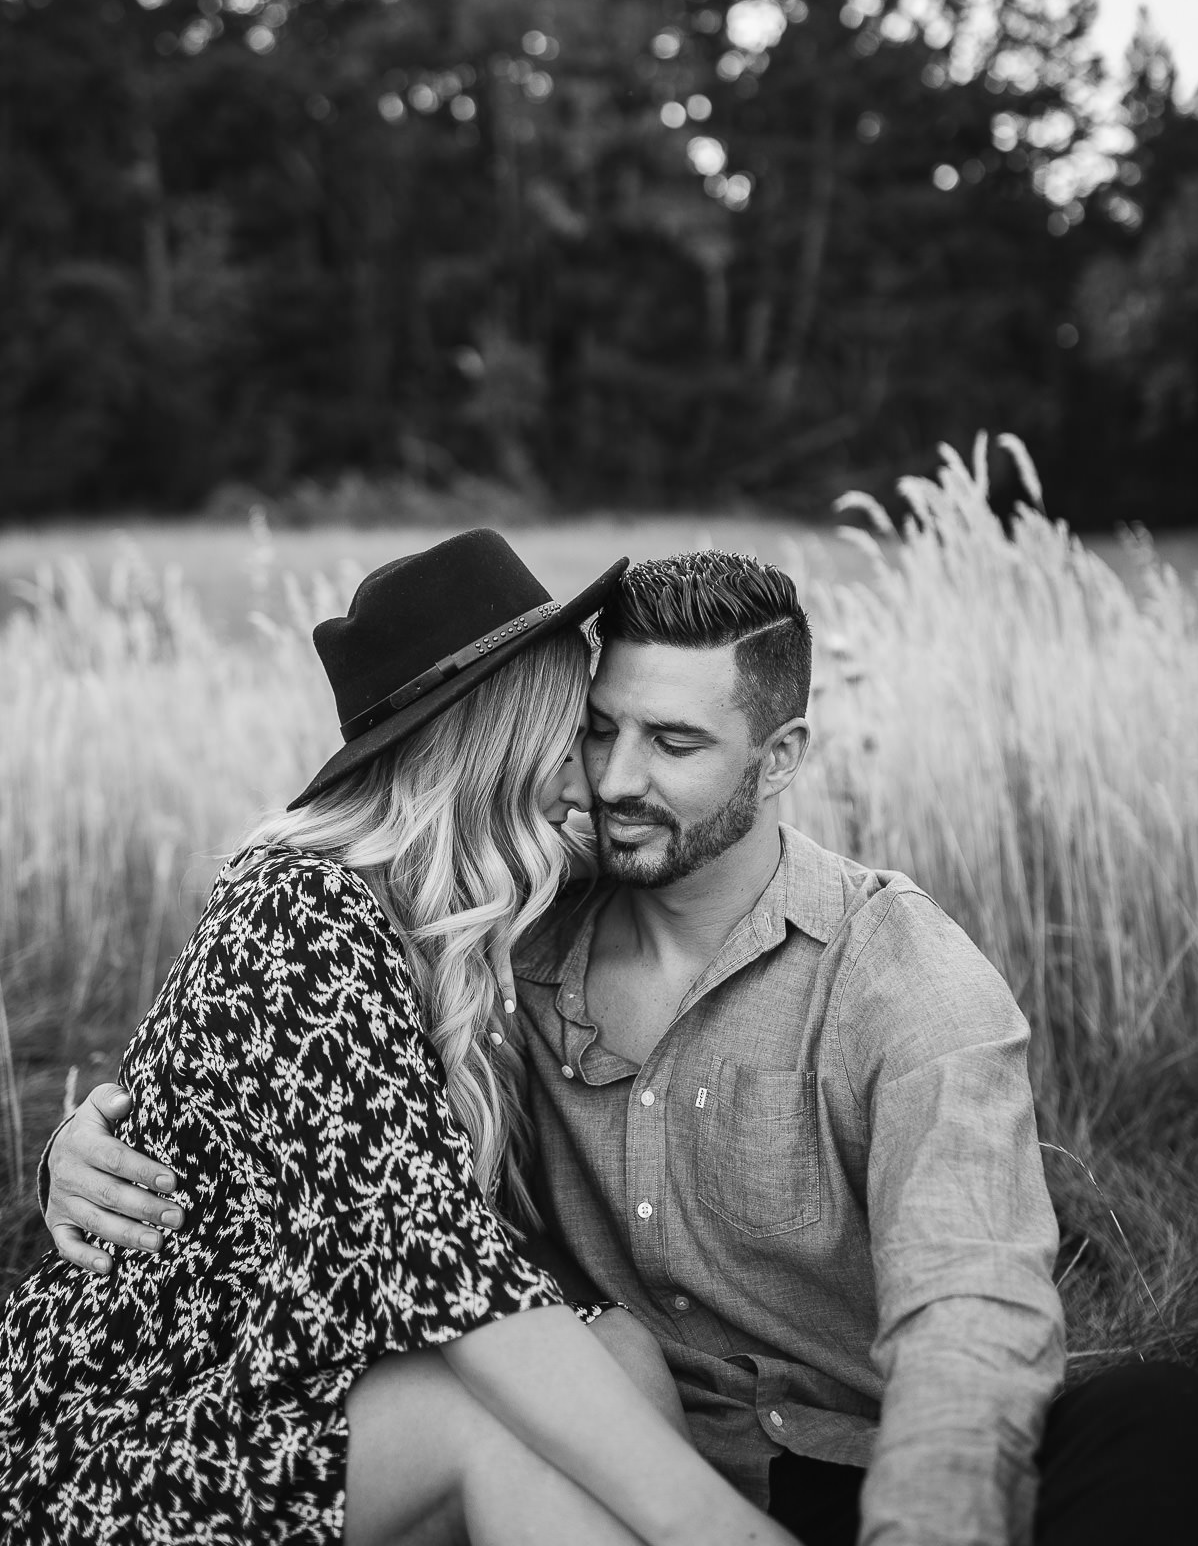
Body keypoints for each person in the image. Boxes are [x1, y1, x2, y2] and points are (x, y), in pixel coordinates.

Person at [42, 550, 1198, 1545]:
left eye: (675, 742)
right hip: (531, 1439)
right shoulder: (483, 921)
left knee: (1154, 1426)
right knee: (541, 1404)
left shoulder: (900, 978)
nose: (617, 780)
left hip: (846, 1459)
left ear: (780, 756)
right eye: (593, 731)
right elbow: (326, 1131)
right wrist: (87, 1148)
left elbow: (969, 1318)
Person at [0, 530, 796, 1546]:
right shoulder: (299, 913)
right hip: (158, 1413)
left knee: (624, 1355)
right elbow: (449, 1276)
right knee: (488, 1427)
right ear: (499, 742)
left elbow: (697, 843)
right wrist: (722, 1530)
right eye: (580, 730)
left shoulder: (468, 899)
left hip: (315, 1373)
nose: (601, 773)